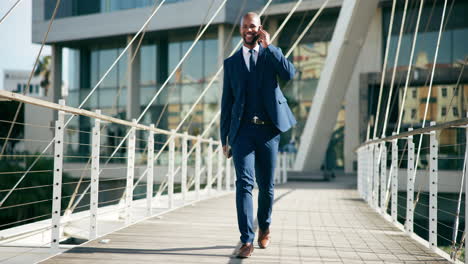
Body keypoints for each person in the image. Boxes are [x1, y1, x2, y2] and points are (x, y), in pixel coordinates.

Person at [220, 12, 297, 258]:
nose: (248, 30)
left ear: (259, 28)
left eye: (252, 26)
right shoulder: (231, 64)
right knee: (244, 184)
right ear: (241, 30)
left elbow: (290, 74)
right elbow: (227, 103)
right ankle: (246, 240)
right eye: (244, 27)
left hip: (268, 131)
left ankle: (264, 225)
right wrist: (225, 139)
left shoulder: (270, 55)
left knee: (267, 186)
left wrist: (270, 46)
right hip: (242, 132)